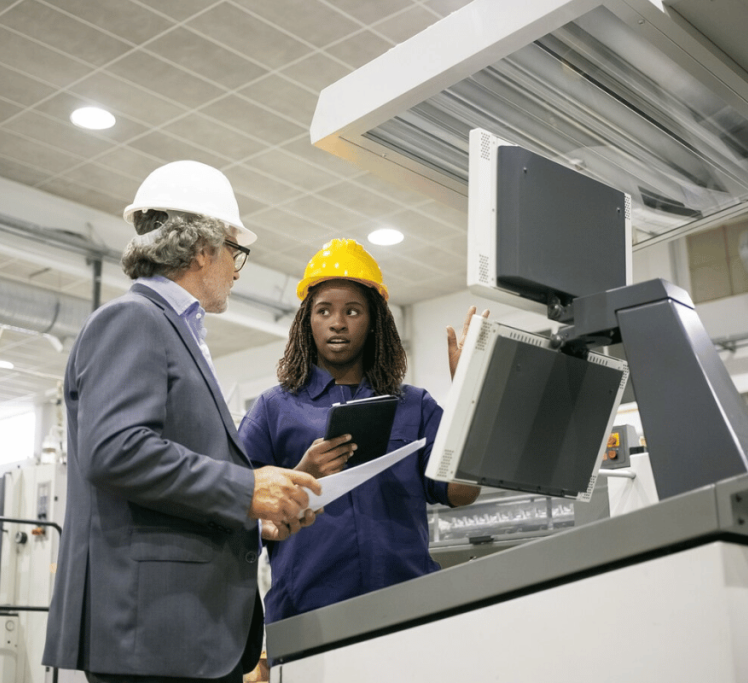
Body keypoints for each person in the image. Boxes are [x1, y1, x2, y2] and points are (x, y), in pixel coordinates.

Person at [42, 161, 322, 683]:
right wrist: (246, 487)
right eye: (234, 254)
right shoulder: (133, 320)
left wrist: (251, 517)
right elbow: (116, 450)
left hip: (178, 631)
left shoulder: (174, 332)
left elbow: (166, 478)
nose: (236, 271)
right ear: (202, 250)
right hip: (151, 630)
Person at [237, 238, 483, 624]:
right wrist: (302, 477)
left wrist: (471, 389)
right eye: (324, 311)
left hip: (410, 607)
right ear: (307, 321)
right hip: (308, 616)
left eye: (353, 311)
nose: (337, 322)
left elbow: (462, 492)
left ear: (373, 323)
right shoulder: (273, 409)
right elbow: (237, 507)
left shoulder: (414, 405)